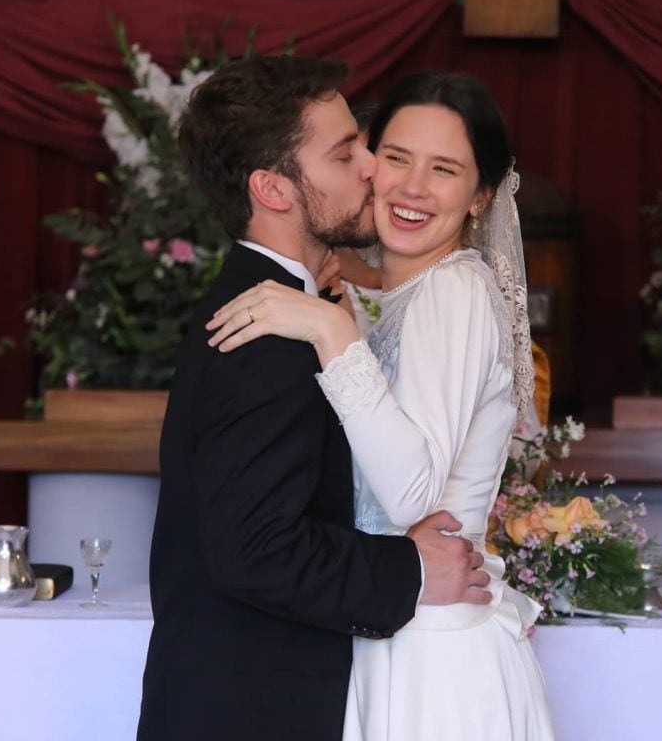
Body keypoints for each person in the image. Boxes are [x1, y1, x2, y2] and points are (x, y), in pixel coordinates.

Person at [136, 56, 493, 741]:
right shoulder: (265, 337)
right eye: (344, 153)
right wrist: (411, 569)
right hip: (250, 718)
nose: (372, 167)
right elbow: (255, 551)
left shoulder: (290, 309)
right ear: (274, 189)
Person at [207, 71, 555, 740]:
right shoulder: (392, 298)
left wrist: (329, 329)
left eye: (445, 169)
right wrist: (345, 311)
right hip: (383, 626)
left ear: (481, 195)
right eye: (396, 157)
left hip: (432, 656)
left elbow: (411, 496)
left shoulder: (456, 293)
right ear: (368, 163)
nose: (412, 187)